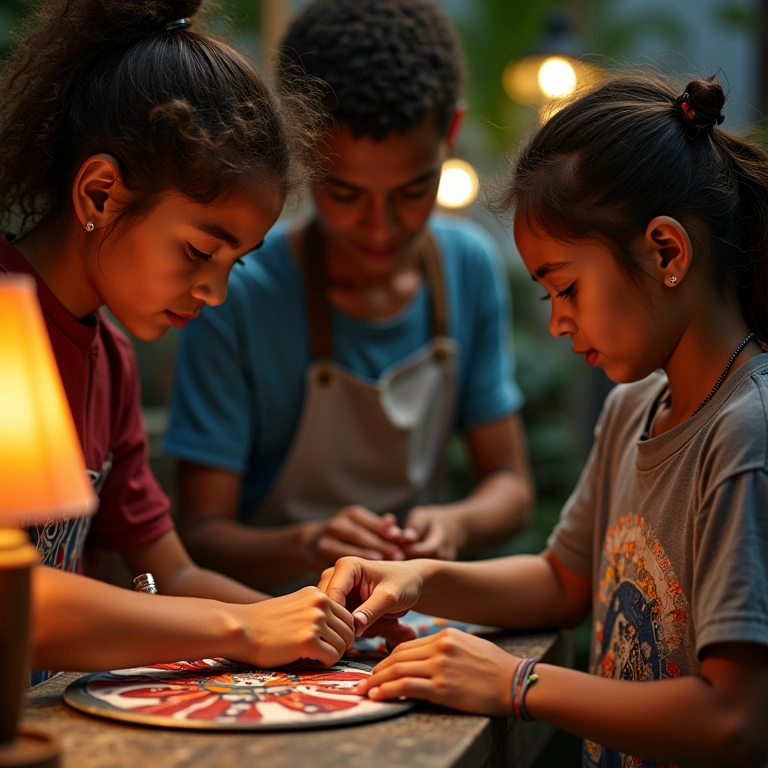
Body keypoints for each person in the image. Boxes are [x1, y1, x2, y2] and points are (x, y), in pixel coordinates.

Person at [317, 73, 768, 768]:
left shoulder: (744, 434)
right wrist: (416, 576)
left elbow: (734, 719)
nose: (558, 321)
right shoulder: (632, 412)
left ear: (667, 252)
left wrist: (514, 681)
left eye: (567, 287)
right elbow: (563, 579)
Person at [0, 0, 355, 684]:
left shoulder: (111, 363)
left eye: (236, 263)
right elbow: (15, 602)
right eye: (198, 250)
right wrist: (249, 628)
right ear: (100, 195)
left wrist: (329, 630)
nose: (215, 292)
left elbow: (170, 570)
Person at [163, 0, 535, 595]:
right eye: (345, 193)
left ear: (451, 135)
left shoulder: (466, 268)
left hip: (399, 621)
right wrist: (308, 543)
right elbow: (201, 533)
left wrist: (452, 524)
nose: (381, 226)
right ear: (302, 152)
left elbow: (510, 487)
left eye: (414, 190)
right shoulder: (239, 291)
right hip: (263, 623)